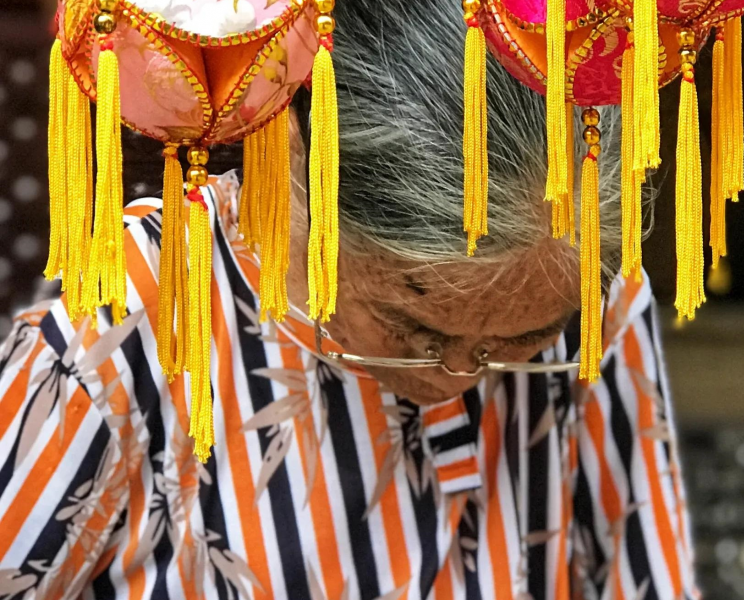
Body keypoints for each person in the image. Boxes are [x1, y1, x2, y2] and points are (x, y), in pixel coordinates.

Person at [0, 0, 696, 597]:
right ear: (303, 162)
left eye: (518, 345)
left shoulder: (587, 298)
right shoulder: (121, 337)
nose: (453, 379)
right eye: (410, 327)